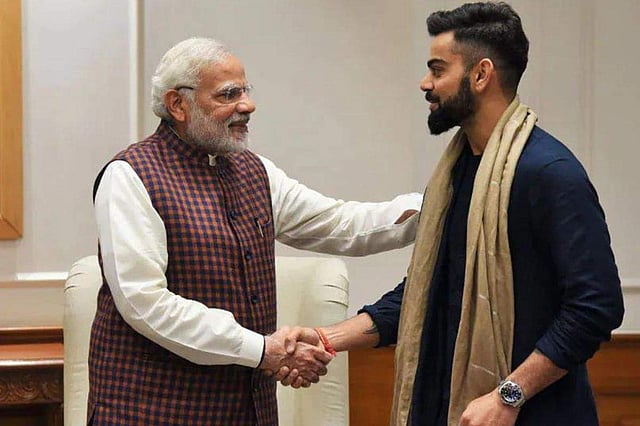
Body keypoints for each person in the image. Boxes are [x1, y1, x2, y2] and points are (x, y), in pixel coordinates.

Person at [282, 2, 624, 425]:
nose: (425, 83)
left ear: (481, 75)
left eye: (438, 69)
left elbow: (596, 307)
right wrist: (327, 338)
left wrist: (509, 396)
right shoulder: (456, 173)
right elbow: (429, 294)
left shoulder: (550, 173)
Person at [88, 37, 421, 425]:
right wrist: (262, 350)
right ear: (178, 104)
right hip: (150, 412)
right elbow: (145, 302)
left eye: (246, 91)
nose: (248, 105)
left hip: (248, 411)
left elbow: (341, 225)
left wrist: (441, 205)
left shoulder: (254, 171)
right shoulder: (130, 176)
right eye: (229, 94)